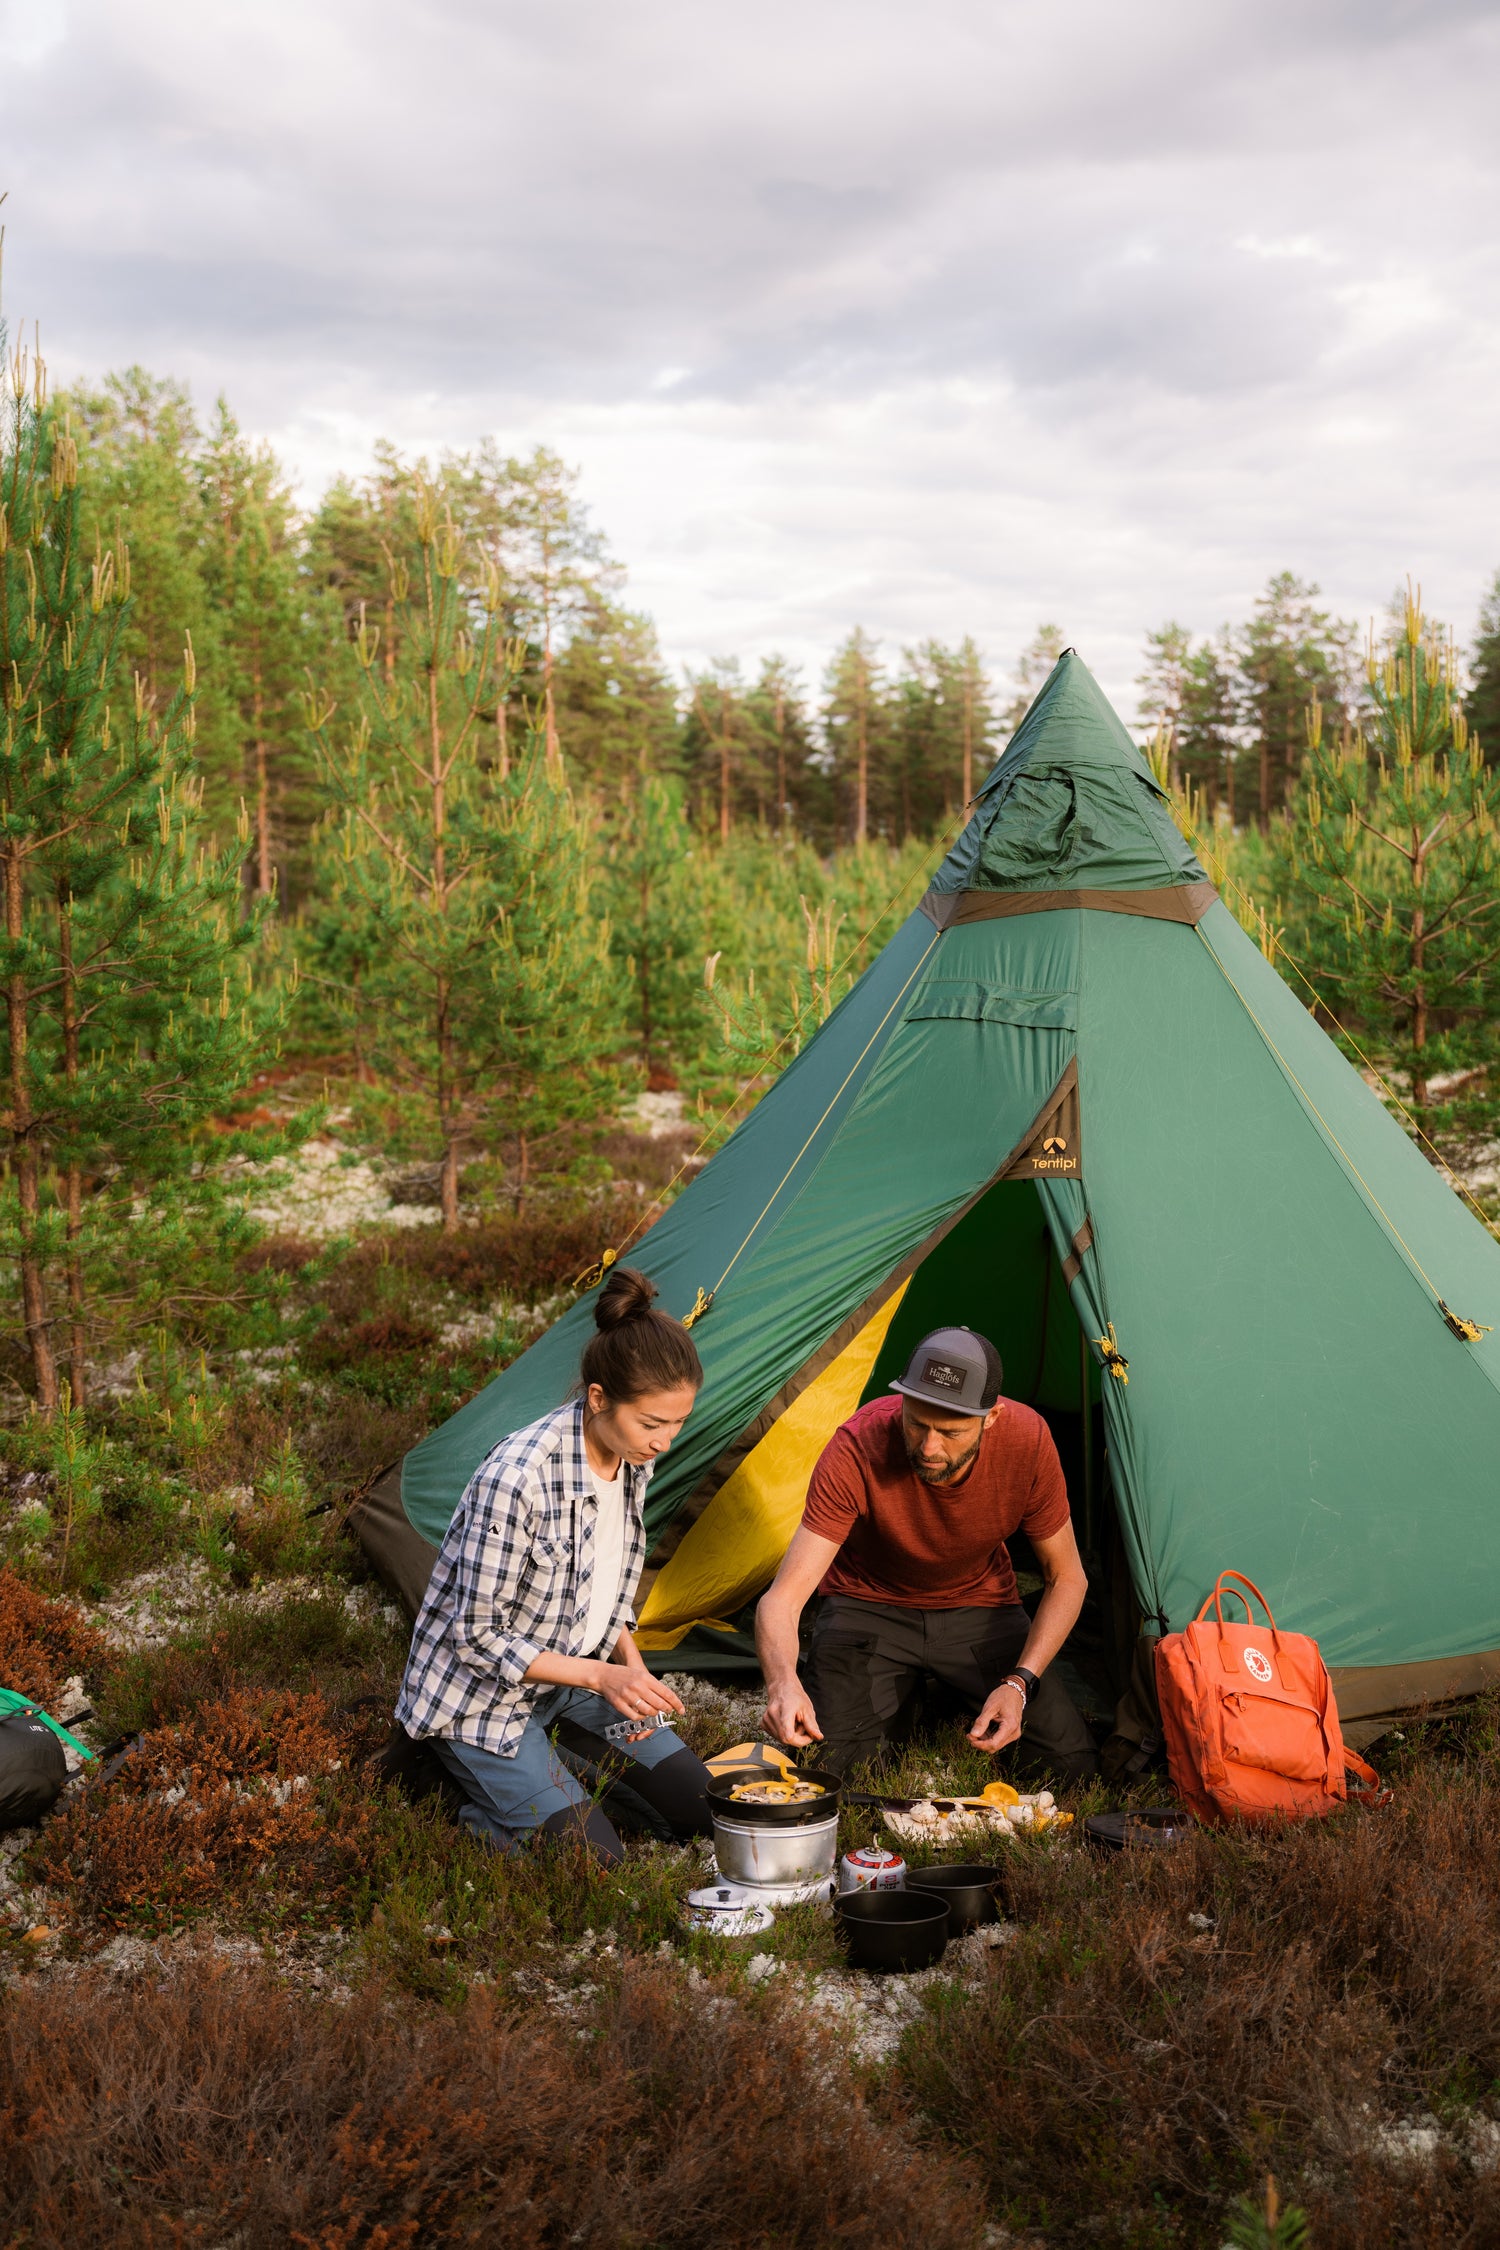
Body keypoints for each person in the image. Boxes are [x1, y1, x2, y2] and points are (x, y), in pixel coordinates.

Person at [396, 1266, 714, 1865]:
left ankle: (556, 1774)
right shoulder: (517, 1479)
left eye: (678, 1423)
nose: (664, 1442)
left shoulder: (632, 1459)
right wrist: (601, 1678)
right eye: (653, 1423)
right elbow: (475, 1636)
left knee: (705, 1809)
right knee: (594, 1864)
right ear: (598, 1397)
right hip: (482, 1702)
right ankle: (442, 1789)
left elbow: (605, 1587)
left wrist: (632, 1672)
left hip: (568, 1684)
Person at [755, 1324, 1099, 1781]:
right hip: (869, 1605)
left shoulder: (1028, 1440)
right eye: (916, 1423)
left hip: (979, 1607)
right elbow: (782, 1598)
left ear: (990, 1418)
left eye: (951, 1431)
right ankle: (914, 1694)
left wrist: (1019, 1683)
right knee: (831, 1772)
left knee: (1071, 1768)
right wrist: (782, 1684)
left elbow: (1067, 1578)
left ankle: (933, 1695)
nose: (930, 1448)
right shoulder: (857, 1445)